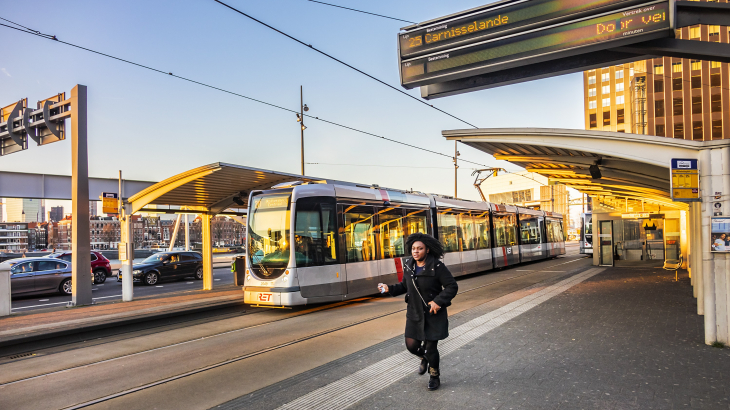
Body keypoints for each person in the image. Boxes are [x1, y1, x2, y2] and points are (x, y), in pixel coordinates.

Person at [378, 233, 458, 391]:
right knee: (411, 345)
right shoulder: (409, 265)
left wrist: (437, 301)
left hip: (432, 314)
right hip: (414, 313)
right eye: (413, 248)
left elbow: (452, 287)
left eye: (419, 249)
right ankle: (424, 357)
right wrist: (389, 288)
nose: (415, 251)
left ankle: (434, 375)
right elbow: (404, 286)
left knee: (431, 347)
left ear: (427, 250)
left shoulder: (437, 266)